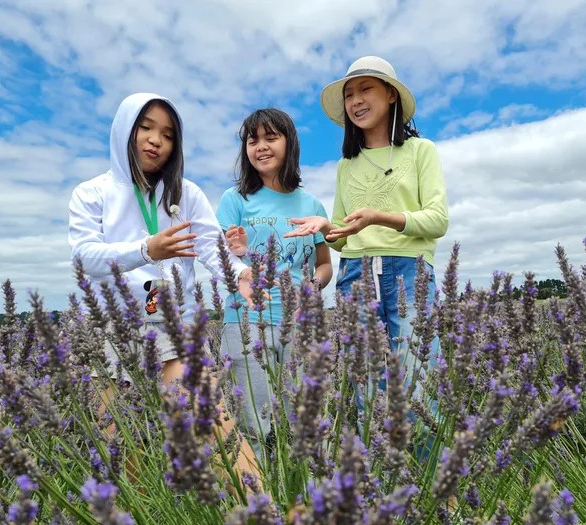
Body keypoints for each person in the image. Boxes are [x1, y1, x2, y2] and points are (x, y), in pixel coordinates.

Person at [68, 92, 259, 472]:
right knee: (124, 451)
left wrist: (239, 273)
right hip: (112, 328)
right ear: (125, 129)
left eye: (168, 134)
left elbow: (210, 246)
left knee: (215, 429)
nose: (156, 140)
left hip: (172, 322)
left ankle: (261, 509)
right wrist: (146, 250)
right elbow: (83, 256)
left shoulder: (185, 192)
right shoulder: (92, 192)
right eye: (146, 127)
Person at [286, 56, 448, 447]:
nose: (356, 100)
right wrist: (328, 229)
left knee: (418, 382)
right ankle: (378, 492)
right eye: (349, 95)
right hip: (355, 275)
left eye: (365, 89)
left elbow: (437, 220)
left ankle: (437, 495)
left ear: (391, 95)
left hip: (410, 273)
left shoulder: (420, 151)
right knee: (367, 388)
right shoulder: (347, 165)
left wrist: (379, 217)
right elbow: (342, 236)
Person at [216, 108, 333, 455]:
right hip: (247, 322)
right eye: (253, 141)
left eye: (271, 138)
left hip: (298, 322)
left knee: (302, 418)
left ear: (289, 142)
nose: (261, 147)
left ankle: (303, 498)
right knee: (255, 422)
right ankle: (262, 501)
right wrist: (235, 251)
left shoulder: (310, 203)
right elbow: (223, 258)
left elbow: (324, 264)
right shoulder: (234, 199)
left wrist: (314, 286)